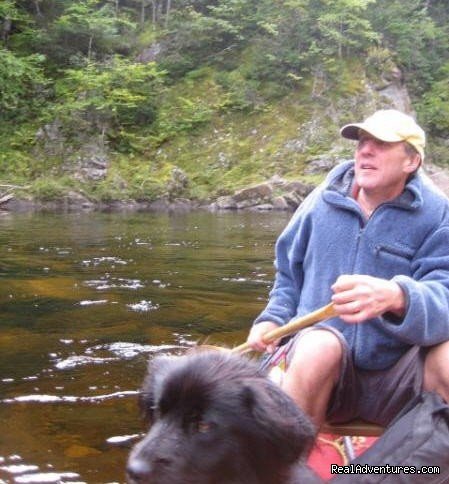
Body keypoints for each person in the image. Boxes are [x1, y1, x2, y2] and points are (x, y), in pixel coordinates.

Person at [246, 109, 449, 430]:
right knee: (319, 346)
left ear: (412, 162)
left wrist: (399, 297)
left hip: (398, 378)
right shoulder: (319, 203)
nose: (365, 150)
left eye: (381, 143)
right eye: (362, 142)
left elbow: (445, 299)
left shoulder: (438, 215)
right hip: (324, 375)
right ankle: (293, 463)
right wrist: (271, 320)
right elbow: (288, 276)